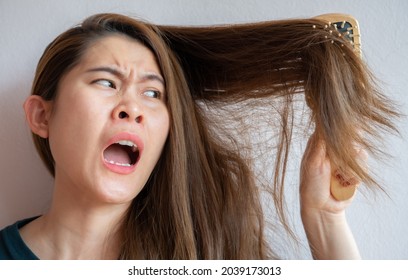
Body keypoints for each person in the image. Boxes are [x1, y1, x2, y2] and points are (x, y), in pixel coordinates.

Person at [0, 13, 399, 260]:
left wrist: (325, 221)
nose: (132, 107)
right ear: (41, 115)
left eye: (153, 93)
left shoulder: (207, 256)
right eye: (107, 82)